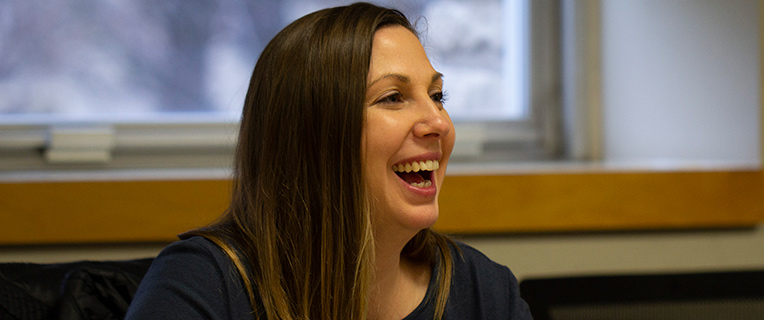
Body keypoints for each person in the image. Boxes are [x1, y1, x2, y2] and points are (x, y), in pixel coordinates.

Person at [125, 3, 532, 320]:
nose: (439, 123)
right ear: (312, 135)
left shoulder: (482, 289)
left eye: (438, 96)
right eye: (392, 98)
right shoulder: (203, 284)